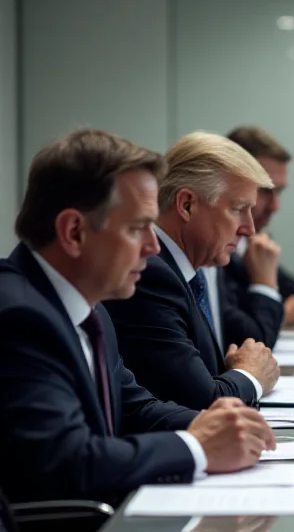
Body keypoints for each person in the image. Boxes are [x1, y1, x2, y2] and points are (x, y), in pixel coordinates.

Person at [0, 129, 276, 508]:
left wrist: (214, 423)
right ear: (74, 232)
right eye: (136, 228)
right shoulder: (20, 317)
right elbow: (68, 461)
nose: (152, 246)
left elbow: (135, 409)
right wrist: (196, 447)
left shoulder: (91, 310)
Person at [104, 132, 281, 411]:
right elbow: (201, 401)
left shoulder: (194, 270)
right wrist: (251, 376)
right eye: (238, 209)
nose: (249, 229)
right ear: (187, 204)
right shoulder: (151, 274)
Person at [226, 126, 294, 327]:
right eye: (264, 190)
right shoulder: (213, 251)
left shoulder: (248, 243)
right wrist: (282, 314)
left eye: (278, 192)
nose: (275, 206)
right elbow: (241, 332)